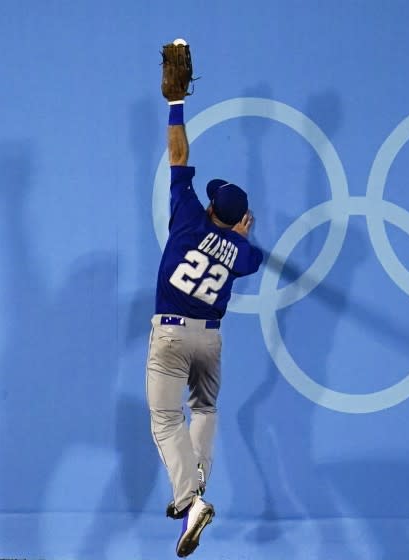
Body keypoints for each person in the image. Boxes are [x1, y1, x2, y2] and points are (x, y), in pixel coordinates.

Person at [145, 75, 264, 557]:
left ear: (210, 204)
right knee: (206, 410)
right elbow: (251, 258)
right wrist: (241, 234)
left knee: (164, 420)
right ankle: (193, 491)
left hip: (170, 336)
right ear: (237, 219)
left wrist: (175, 104)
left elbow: (178, 158)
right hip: (210, 341)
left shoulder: (190, 214)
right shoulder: (241, 252)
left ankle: (189, 499)